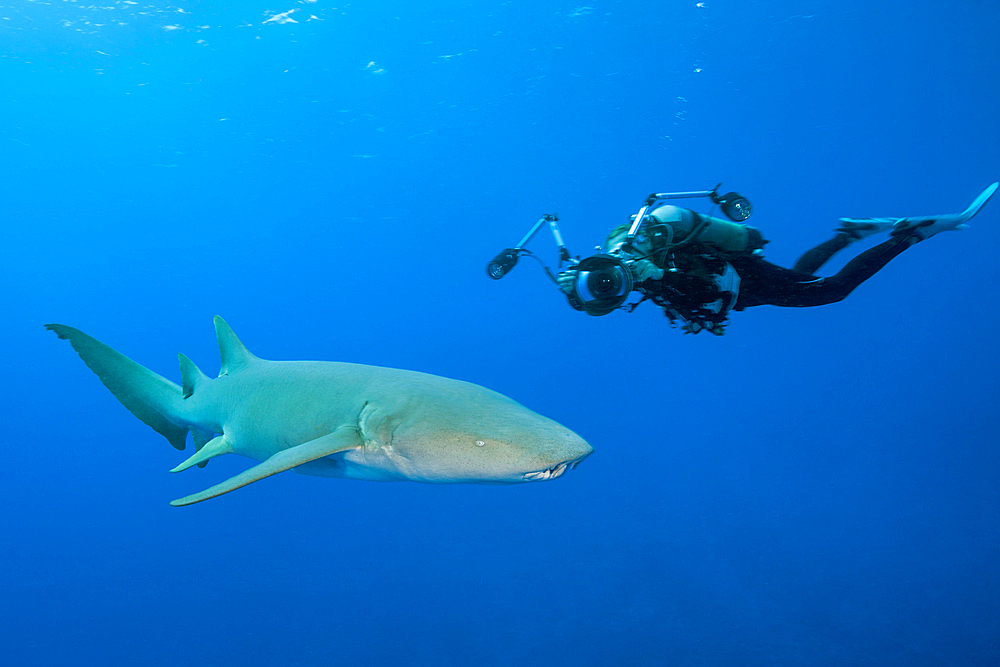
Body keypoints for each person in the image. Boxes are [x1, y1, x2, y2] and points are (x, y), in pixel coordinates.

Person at [557, 183, 998, 334]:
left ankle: (908, 237)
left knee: (832, 291)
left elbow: (695, 284)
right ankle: (848, 233)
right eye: (606, 295)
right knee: (801, 274)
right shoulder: (631, 266)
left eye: (603, 282)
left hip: (739, 279)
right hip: (739, 293)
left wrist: (659, 275)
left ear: (601, 266)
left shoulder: (641, 254)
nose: (612, 287)